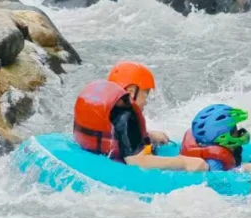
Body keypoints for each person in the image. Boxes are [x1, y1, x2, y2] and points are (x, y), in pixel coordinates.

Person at [73, 60, 204, 172]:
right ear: (131, 92)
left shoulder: (109, 108)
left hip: (95, 155)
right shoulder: (127, 115)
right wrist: (184, 163)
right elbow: (137, 161)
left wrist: (148, 135)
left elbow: (118, 134)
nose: (146, 101)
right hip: (121, 170)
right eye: (145, 93)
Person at [180, 104, 251, 172]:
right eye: (235, 130)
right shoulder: (215, 164)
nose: (239, 133)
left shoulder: (205, 144)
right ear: (224, 138)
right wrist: (242, 169)